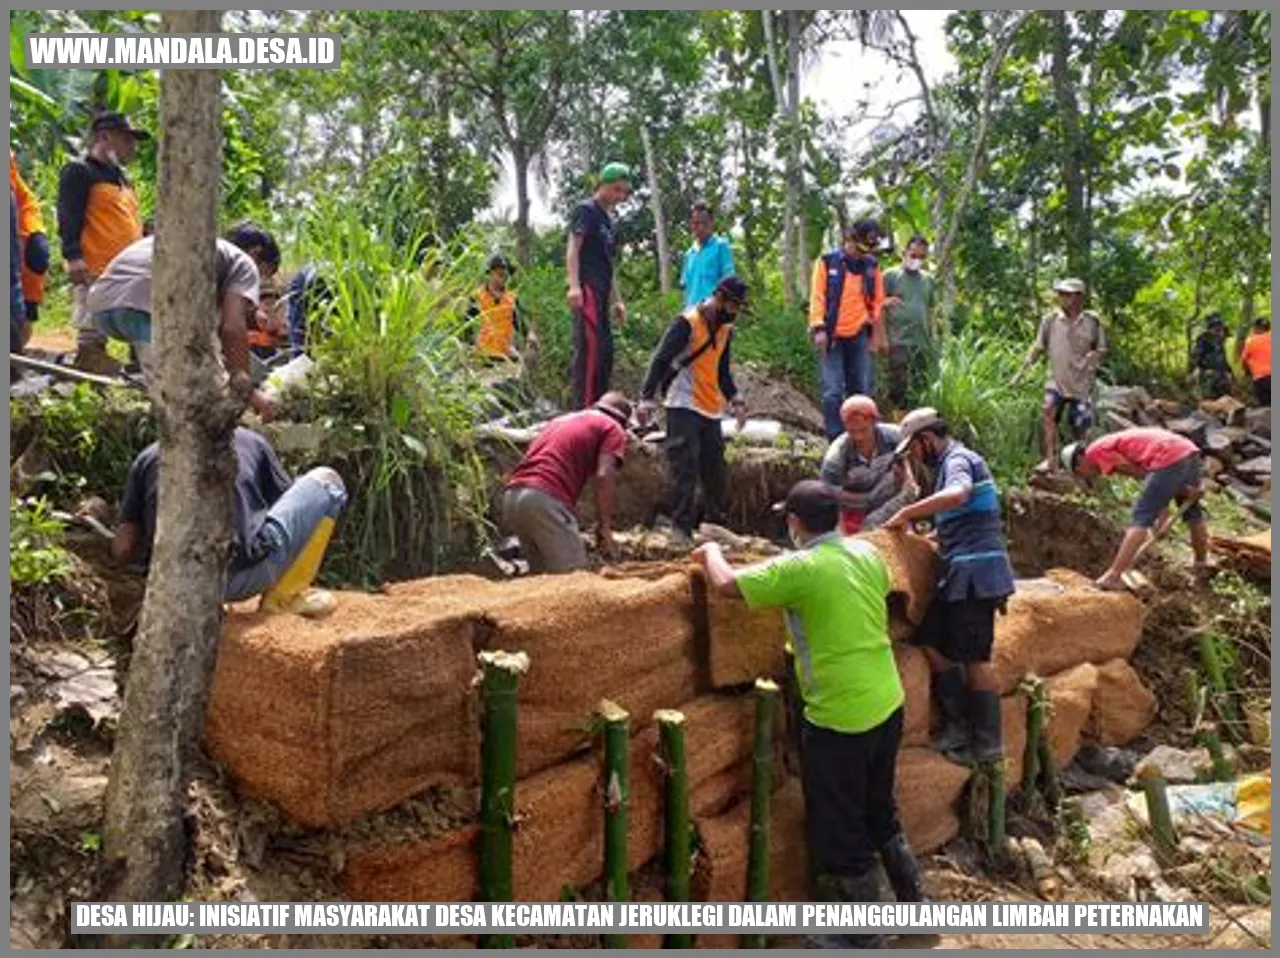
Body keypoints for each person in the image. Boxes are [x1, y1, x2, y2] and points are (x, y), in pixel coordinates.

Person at [692, 480, 925, 944]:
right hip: (885, 699)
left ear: (795, 523)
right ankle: (914, 907)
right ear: (837, 518)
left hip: (839, 715)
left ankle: (864, 936)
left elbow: (727, 585)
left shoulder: (801, 567)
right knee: (880, 807)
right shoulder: (867, 555)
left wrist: (711, 550)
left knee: (839, 826)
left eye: (789, 519)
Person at [884, 408, 1015, 765]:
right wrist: (931, 536)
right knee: (930, 640)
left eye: (914, 448)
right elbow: (965, 513)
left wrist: (909, 514)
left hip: (977, 574)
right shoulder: (944, 469)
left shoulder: (959, 460)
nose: (914, 456)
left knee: (975, 658)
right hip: (958, 574)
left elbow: (960, 495)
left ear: (926, 440)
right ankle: (958, 725)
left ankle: (988, 743)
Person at [111, 427, 348, 611]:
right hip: (242, 579)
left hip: (175, 585)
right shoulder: (250, 440)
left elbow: (123, 548)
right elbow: (284, 505)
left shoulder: (149, 456)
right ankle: (283, 600)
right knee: (328, 479)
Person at [86, 223, 280, 417]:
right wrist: (246, 391)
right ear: (255, 254)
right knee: (181, 406)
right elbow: (232, 328)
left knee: (175, 383)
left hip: (101, 309)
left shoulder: (204, 249)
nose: (259, 285)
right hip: (143, 309)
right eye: (264, 274)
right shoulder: (244, 262)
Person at [639, 276, 750, 542]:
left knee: (714, 470)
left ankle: (713, 524)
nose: (734, 314)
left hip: (710, 406)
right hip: (682, 402)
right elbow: (661, 359)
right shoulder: (686, 323)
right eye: (733, 307)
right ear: (720, 299)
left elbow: (721, 370)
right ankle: (680, 528)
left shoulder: (725, 331)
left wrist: (735, 398)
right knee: (684, 467)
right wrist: (646, 397)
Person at [1062, 428, 1209, 591]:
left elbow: (1143, 474)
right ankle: (1201, 567)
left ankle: (1113, 575)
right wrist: (1179, 492)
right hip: (1186, 450)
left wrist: (1163, 514)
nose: (1086, 475)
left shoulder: (1095, 452)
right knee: (1193, 511)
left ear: (1080, 460)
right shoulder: (1105, 446)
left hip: (1167, 456)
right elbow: (1156, 482)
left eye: (1080, 472)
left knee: (1141, 516)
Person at [56, 112, 147, 374]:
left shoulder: (121, 179)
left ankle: (138, 369)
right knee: (91, 324)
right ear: (105, 137)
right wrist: (73, 256)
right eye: (127, 139)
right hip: (95, 264)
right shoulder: (80, 171)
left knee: (138, 316)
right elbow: (68, 215)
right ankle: (90, 367)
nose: (133, 147)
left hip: (129, 268)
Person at [502, 392, 633, 573]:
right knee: (574, 581)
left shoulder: (560, 421)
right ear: (623, 421)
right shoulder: (612, 427)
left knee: (540, 582)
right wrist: (605, 527)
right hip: (543, 499)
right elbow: (604, 475)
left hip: (513, 497)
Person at [1017, 277, 1106, 473]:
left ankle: (1079, 464)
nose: (1062, 298)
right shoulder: (1050, 321)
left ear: (1078, 297)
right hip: (1055, 380)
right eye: (1061, 294)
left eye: (1067, 294)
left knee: (1080, 425)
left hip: (1081, 382)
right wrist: (1021, 372)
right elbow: (1037, 348)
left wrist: (1094, 357)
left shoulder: (1092, 322)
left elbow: (1101, 348)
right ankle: (1051, 460)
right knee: (1048, 412)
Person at [809, 219, 887, 439]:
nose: (861, 254)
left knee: (861, 390)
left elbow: (878, 302)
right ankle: (835, 439)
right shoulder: (827, 262)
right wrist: (818, 328)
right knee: (833, 391)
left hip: (860, 334)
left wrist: (876, 337)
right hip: (832, 335)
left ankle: (862, 438)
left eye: (867, 250)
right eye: (859, 248)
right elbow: (817, 297)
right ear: (850, 239)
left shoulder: (872, 266)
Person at [567, 162, 632, 409]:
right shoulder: (586, 210)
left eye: (624, 192)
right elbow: (573, 247)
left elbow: (609, 263)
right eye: (616, 190)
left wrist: (618, 299)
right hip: (588, 290)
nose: (620, 197)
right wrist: (573, 285)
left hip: (603, 294)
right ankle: (582, 413)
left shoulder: (608, 220)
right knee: (590, 355)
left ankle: (600, 411)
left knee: (605, 355)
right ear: (603, 185)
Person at [819, 394, 915, 534]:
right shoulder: (836, 455)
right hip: (852, 504)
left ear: (874, 422)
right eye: (852, 432)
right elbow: (826, 494)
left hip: (889, 496)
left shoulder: (897, 437)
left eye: (864, 430)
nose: (859, 438)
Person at [881, 234, 936, 412]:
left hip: (921, 341)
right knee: (898, 384)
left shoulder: (928, 280)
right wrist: (882, 338)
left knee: (920, 384)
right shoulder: (890, 276)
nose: (917, 260)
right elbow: (875, 305)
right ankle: (898, 423)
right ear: (904, 252)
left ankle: (917, 424)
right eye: (913, 255)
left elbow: (930, 310)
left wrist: (932, 338)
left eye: (922, 257)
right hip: (898, 339)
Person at [10, 151, 50, 346]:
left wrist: (34, 232)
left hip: (18, 213)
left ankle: (16, 349)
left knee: (37, 254)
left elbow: (22, 196)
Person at [467, 254, 533, 361]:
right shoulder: (477, 296)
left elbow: (519, 323)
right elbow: (467, 323)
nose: (504, 278)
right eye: (500, 275)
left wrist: (529, 335)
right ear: (490, 273)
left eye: (506, 276)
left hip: (507, 355)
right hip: (483, 355)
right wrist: (470, 344)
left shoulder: (512, 298)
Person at [680, 200, 735, 309]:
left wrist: (715, 301)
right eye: (696, 223)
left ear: (711, 222)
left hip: (715, 315)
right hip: (692, 316)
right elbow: (686, 288)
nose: (700, 228)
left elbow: (729, 281)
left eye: (704, 223)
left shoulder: (721, 246)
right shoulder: (690, 254)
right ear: (691, 225)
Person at [1190, 314, 1232, 399]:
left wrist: (1228, 371)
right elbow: (1196, 356)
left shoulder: (1219, 341)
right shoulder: (1203, 339)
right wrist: (1195, 370)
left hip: (1221, 374)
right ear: (1211, 328)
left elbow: (1223, 358)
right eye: (1216, 328)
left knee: (1224, 397)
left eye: (1220, 328)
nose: (1219, 331)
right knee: (1209, 399)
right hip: (1208, 374)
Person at [1239, 316, 1271, 407]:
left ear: (1258, 328)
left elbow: (1244, 361)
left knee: (1266, 407)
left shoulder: (1251, 341)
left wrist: (1247, 372)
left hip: (1260, 379)